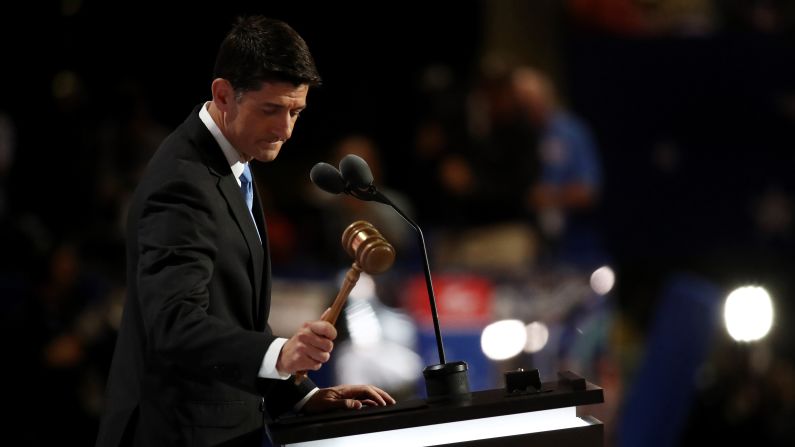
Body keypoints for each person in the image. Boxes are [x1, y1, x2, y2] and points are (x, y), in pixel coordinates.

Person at [96, 16, 394, 447]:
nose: (286, 129)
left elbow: (230, 318)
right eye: (271, 109)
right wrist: (280, 354)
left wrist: (300, 393)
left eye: (296, 111)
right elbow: (174, 324)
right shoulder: (182, 181)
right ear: (223, 95)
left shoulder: (231, 160)